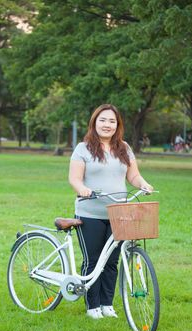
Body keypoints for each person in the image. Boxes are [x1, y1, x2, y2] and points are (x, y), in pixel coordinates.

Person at [69, 104, 153, 319]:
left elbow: (133, 176)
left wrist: (143, 184)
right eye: (103, 120)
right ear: (94, 122)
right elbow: (75, 178)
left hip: (119, 213)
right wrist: (83, 190)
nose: (107, 125)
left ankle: (107, 304)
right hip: (90, 213)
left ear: (118, 125)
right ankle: (92, 306)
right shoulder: (83, 148)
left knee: (113, 262)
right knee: (94, 260)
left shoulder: (123, 147)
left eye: (112, 121)